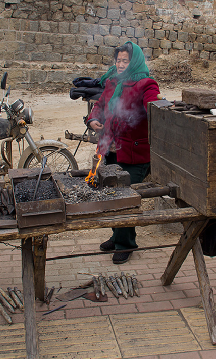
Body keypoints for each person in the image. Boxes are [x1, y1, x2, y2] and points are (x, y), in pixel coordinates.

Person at [87, 41, 160, 264]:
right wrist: (93, 120)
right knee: (111, 194)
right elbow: (99, 105)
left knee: (125, 198)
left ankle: (126, 244)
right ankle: (117, 235)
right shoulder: (112, 82)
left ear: (134, 61)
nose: (120, 64)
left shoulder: (147, 84)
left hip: (134, 153)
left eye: (125, 61)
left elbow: (154, 107)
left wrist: (156, 107)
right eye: (118, 60)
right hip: (109, 149)